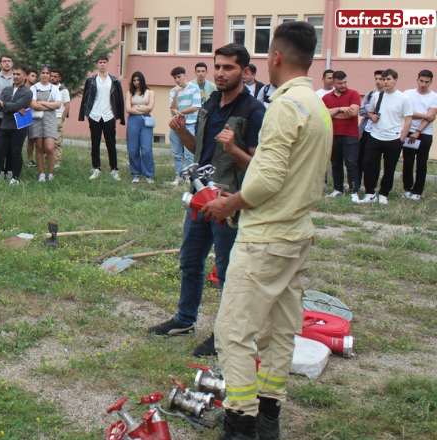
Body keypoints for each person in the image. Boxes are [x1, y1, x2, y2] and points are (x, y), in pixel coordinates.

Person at [199, 21, 330, 440]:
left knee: (233, 332)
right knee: (279, 329)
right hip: (296, 236)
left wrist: (228, 203)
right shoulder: (317, 104)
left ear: (275, 57)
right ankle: (270, 413)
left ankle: (241, 422)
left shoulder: (284, 106)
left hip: (266, 238)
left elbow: (266, 180)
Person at [148, 43, 265, 359]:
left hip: (227, 202)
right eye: (218, 66)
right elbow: (198, 149)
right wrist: (181, 132)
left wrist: (233, 150)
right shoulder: (210, 103)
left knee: (227, 272)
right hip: (200, 197)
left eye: (229, 67)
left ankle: (224, 334)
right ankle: (185, 320)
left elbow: (258, 168)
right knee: (189, 260)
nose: (221, 73)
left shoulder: (254, 112)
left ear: (244, 71)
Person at [358, 69, 412, 205]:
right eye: (383, 79)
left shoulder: (403, 98)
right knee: (368, 164)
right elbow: (369, 112)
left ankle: (384, 193)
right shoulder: (377, 96)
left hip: (393, 138)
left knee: (389, 168)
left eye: (388, 79)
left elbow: (408, 120)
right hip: (375, 136)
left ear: (395, 80)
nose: (385, 82)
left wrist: (401, 139)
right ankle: (370, 193)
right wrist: (373, 116)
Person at [79, 55, 125, 181]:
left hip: (109, 115)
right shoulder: (92, 80)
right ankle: (96, 168)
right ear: (97, 65)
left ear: (108, 64)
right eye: (100, 62)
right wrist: (86, 113)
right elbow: (86, 98)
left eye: (105, 62)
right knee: (95, 143)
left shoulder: (114, 81)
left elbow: (119, 99)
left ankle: (114, 169)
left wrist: (119, 115)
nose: (103, 64)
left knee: (111, 143)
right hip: (95, 115)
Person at [322, 70, 361, 200]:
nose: (343, 85)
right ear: (333, 82)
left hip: (350, 135)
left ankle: (354, 191)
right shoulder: (327, 97)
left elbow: (353, 113)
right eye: (340, 83)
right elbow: (323, 114)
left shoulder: (354, 94)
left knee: (351, 163)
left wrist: (333, 114)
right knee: (336, 163)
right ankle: (338, 189)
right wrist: (340, 109)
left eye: (345, 82)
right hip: (333, 135)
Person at [0, 65, 32, 186]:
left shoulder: (27, 92)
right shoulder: (6, 90)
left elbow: (13, 105)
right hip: (4, 125)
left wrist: (5, 104)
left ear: (24, 76)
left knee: (16, 152)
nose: (15, 76)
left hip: (18, 127)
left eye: (18, 74)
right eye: (14, 74)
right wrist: (12, 107)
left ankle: (15, 177)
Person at [401, 70, 437, 201]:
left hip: (424, 134)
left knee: (421, 163)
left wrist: (418, 132)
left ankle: (417, 191)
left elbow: (431, 117)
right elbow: (406, 112)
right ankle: (407, 189)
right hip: (408, 131)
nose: (423, 84)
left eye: (427, 82)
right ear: (417, 80)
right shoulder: (407, 94)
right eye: (421, 81)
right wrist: (424, 114)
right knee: (408, 162)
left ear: (431, 82)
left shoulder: (434, 96)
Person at [166, 66, 201, 184]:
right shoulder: (173, 91)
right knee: (176, 153)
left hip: (189, 124)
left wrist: (180, 112)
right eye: (175, 78)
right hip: (175, 124)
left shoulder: (194, 88)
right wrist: (176, 94)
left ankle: (190, 177)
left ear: (185, 76)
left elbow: (195, 107)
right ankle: (179, 175)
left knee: (189, 153)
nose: (177, 80)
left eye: (179, 77)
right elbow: (172, 109)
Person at [29, 65, 62, 182]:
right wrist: (49, 106)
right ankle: (42, 173)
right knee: (39, 147)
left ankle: (51, 173)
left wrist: (42, 103)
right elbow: (33, 105)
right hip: (37, 120)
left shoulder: (54, 89)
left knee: (50, 147)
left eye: (47, 73)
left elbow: (58, 104)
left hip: (49, 120)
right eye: (43, 73)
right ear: (40, 74)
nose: (45, 75)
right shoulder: (34, 88)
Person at [125, 72, 156, 184]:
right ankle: (136, 173)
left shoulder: (150, 92)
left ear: (142, 80)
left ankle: (148, 174)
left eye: (138, 80)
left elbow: (150, 108)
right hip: (133, 121)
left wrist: (137, 109)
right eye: (134, 80)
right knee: (133, 148)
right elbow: (128, 109)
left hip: (145, 121)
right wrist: (143, 108)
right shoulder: (129, 93)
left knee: (146, 149)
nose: (136, 82)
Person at [357, 70, 384, 193]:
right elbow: (362, 111)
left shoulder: (388, 96)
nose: (378, 81)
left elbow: (384, 113)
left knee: (373, 162)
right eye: (376, 79)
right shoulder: (370, 94)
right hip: (365, 131)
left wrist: (372, 110)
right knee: (359, 159)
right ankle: (355, 186)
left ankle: (371, 187)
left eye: (381, 79)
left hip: (378, 132)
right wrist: (371, 110)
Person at [50, 69, 71, 170]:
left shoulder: (63, 90)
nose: (52, 78)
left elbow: (67, 106)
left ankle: (57, 162)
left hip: (58, 117)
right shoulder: (48, 88)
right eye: (52, 76)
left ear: (59, 78)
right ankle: (48, 160)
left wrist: (62, 118)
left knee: (57, 141)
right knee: (48, 141)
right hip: (48, 117)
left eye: (55, 76)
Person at [0, 55, 14, 144]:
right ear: (0, 64)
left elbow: (19, 95)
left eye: (9, 61)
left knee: (12, 142)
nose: (7, 63)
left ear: (12, 63)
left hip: (14, 114)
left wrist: (2, 94)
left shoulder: (17, 77)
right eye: (4, 61)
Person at [25, 68, 39, 168]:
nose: (34, 78)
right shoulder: (22, 88)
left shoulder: (36, 89)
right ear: (26, 76)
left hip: (33, 114)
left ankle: (30, 160)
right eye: (32, 76)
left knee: (31, 138)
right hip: (22, 114)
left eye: (35, 76)